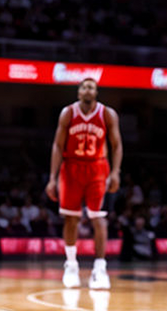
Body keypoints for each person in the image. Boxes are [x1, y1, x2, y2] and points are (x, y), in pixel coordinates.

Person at [45, 78, 123, 290]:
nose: (88, 89)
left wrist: (115, 172)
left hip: (98, 168)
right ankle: (71, 265)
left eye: (92, 87)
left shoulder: (107, 113)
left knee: (99, 219)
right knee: (71, 219)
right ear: (79, 91)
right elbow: (57, 145)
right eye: (84, 86)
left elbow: (116, 145)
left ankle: (100, 268)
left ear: (96, 92)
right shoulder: (68, 113)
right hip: (71, 168)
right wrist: (52, 178)